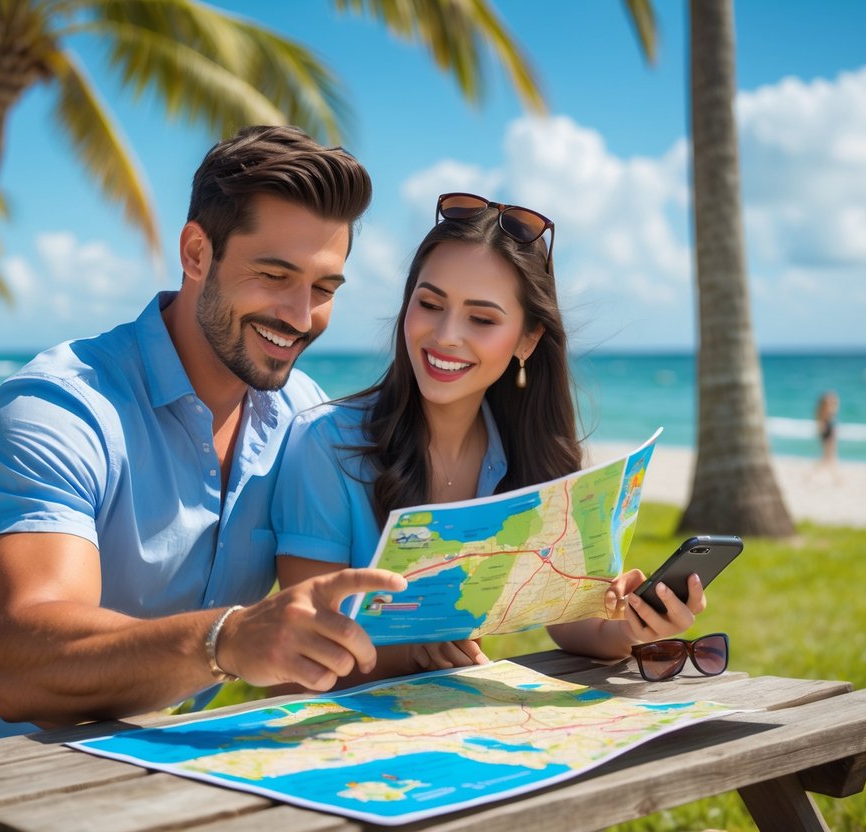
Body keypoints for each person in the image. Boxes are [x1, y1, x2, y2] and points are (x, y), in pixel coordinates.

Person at [0, 125, 403, 757]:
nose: (302, 316)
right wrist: (228, 640)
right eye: (275, 275)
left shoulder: (301, 415)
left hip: (151, 774)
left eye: (324, 289)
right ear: (196, 253)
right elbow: (20, 663)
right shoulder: (60, 408)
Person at [271, 193, 707, 685]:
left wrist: (632, 623)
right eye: (430, 303)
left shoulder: (531, 454)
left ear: (528, 339)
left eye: (481, 318)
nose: (446, 336)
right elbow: (301, 650)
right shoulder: (327, 445)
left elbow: (575, 624)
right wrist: (416, 653)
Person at [813, 390, 839, 481]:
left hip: (829, 435)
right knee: (827, 458)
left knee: (829, 458)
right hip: (827, 435)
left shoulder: (829, 411)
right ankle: (836, 478)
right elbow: (821, 427)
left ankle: (836, 477)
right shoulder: (824, 413)